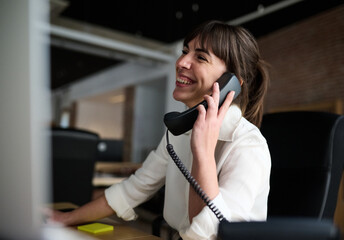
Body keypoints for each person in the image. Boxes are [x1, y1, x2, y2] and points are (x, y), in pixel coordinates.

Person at [45, 20, 271, 240]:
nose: (182, 62)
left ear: (231, 83)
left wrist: (203, 154)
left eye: (200, 57)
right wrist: (65, 219)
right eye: (185, 51)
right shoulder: (179, 133)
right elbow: (133, 189)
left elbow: (209, 235)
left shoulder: (248, 145)